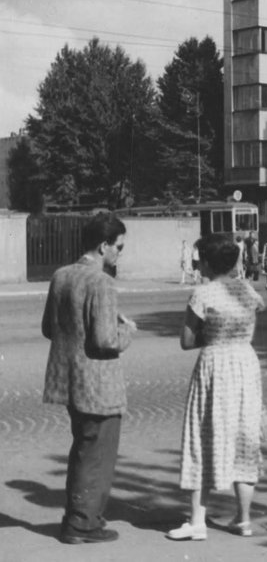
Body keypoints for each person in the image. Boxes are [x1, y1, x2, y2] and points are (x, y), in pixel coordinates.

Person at [42, 212, 136, 545]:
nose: (119, 254)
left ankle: (77, 517)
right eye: (118, 247)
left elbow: (48, 328)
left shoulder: (62, 275)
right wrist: (127, 330)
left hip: (68, 380)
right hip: (99, 384)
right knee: (98, 454)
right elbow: (105, 341)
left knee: (83, 448)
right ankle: (83, 525)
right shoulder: (102, 282)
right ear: (103, 246)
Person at [167, 234, 266, 541]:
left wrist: (211, 337)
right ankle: (244, 519)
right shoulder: (248, 291)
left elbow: (186, 340)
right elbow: (249, 326)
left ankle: (198, 520)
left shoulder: (202, 294)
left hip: (215, 366)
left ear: (207, 263)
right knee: (245, 436)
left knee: (203, 434)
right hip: (246, 365)